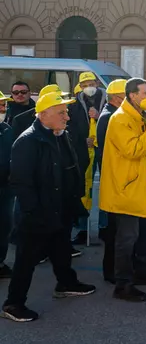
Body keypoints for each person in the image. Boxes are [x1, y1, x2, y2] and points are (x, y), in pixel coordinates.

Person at [2, 92, 95, 322]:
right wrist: (34, 212)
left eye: (66, 112)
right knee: (26, 260)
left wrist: (73, 201)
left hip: (59, 208)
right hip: (38, 213)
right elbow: (21, 182)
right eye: (61, 112)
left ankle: (66, 283)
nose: (67, 117)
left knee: (61, 248)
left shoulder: (59, 134)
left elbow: (67, 168)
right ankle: (13, 304)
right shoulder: (28, 141)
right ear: (44, 115)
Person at [99, 78, 146, 303]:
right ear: (132, 95)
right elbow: (133, 149)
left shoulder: (143, 115)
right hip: (128, 187)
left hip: (143, 183)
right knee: (127, 236)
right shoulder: (120, 119)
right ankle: (123, 284)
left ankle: (141, 270)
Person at [69, 72, 107, 245]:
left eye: (90, 84)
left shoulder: (107, 100)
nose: (88, 88)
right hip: (83, 151)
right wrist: (82, 139)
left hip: (105, 150)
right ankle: (83, 229)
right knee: (83, 187)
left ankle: (105, 228)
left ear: (97, 83)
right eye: (84, 85)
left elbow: (114, 122)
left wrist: (99, 118)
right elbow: (69, 127)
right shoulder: (74, 103)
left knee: (107, 187)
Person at [95, 79, 127, 283]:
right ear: (117, 98)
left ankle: (115, 270)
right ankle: (112, 273)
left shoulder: (111, 114)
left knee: (117, 231)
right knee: (114, 232)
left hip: (116, 180)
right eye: (128, 96)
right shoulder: (110, 118)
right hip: (114, 182)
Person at [0, 93, 13, 280]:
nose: (3, 110)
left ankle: (0, 262)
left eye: (4, 106)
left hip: (6, 188)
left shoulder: (7, 129)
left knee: (4, 226)